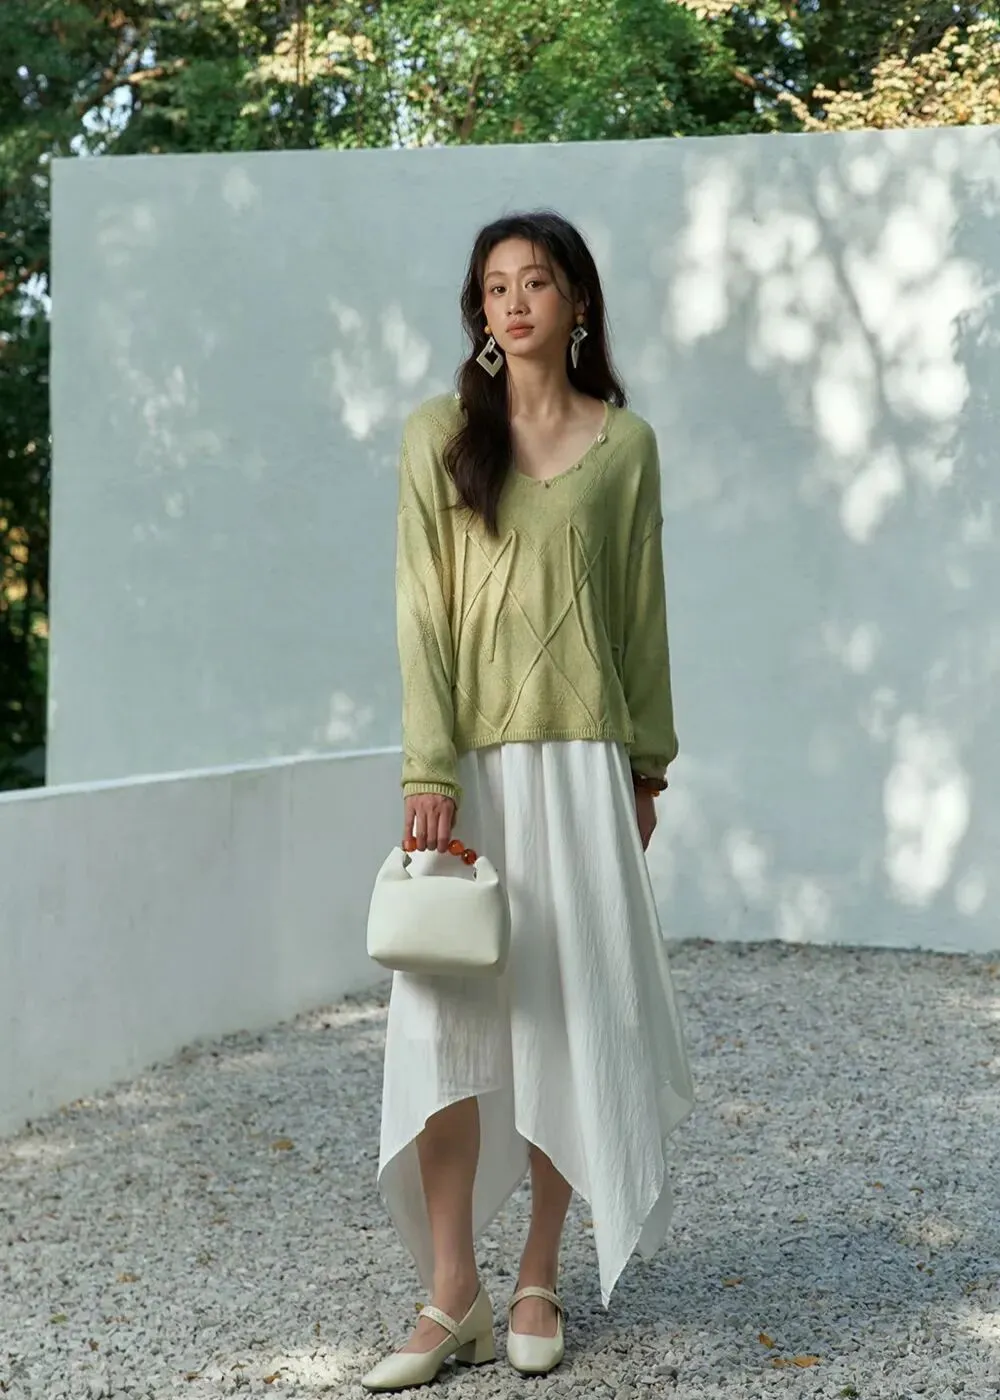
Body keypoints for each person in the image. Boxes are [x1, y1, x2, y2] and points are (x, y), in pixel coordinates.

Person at [361, 210, 695, 1394]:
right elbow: (420, 611)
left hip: (582, 767)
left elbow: (641, 614)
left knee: (565, 1016)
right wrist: (428, 769)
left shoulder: (626, 445)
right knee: (441, 1029)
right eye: (494, 285)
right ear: (480, 310)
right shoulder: (437, 436)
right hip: (466, 772)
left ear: (576, 304)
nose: (512, 301)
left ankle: (539, 1271)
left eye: (536, 282)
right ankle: (450, 1287)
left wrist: (646, 766)